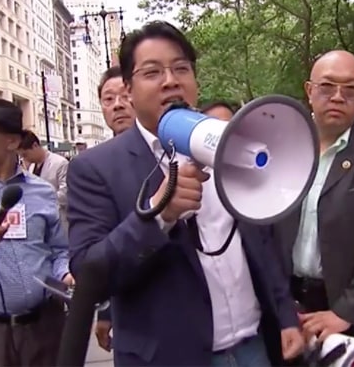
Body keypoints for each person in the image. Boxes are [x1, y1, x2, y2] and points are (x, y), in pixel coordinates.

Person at [67, 21, 303, 366]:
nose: (171, 80)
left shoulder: (229, 144)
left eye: (181, 68)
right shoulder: (96, 168)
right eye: (152, 72)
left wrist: (285, 315)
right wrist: (159, 213)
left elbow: (262, 246)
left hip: (254, 348)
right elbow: (90, 274)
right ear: (129, 90)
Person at [273, 51, 354, 362]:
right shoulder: (282, 145)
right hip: (285, 302)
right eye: (327, 86)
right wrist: (277, 302)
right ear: (309, 90)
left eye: (349, 90)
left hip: (349, 310)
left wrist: (345, 312)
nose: (337, 97)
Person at [0, 96, 71, 366]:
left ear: (12, 141)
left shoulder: (42, 192)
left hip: (44, 328)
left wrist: (67, 274)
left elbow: (58, 250)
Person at [94, 65, 136, 352]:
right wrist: (105, 312)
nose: (118, 105)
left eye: (123, 95)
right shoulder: (93, 168)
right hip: (128, 309)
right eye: (109, 99)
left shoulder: (172, 153)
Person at [17, 131, 69, 229]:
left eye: (25, 155)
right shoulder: (31, 166)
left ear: (35, 145)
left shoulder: (60, 163)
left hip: (59, 220)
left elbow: (65, 194)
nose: (25, 159)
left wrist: (40, 199)